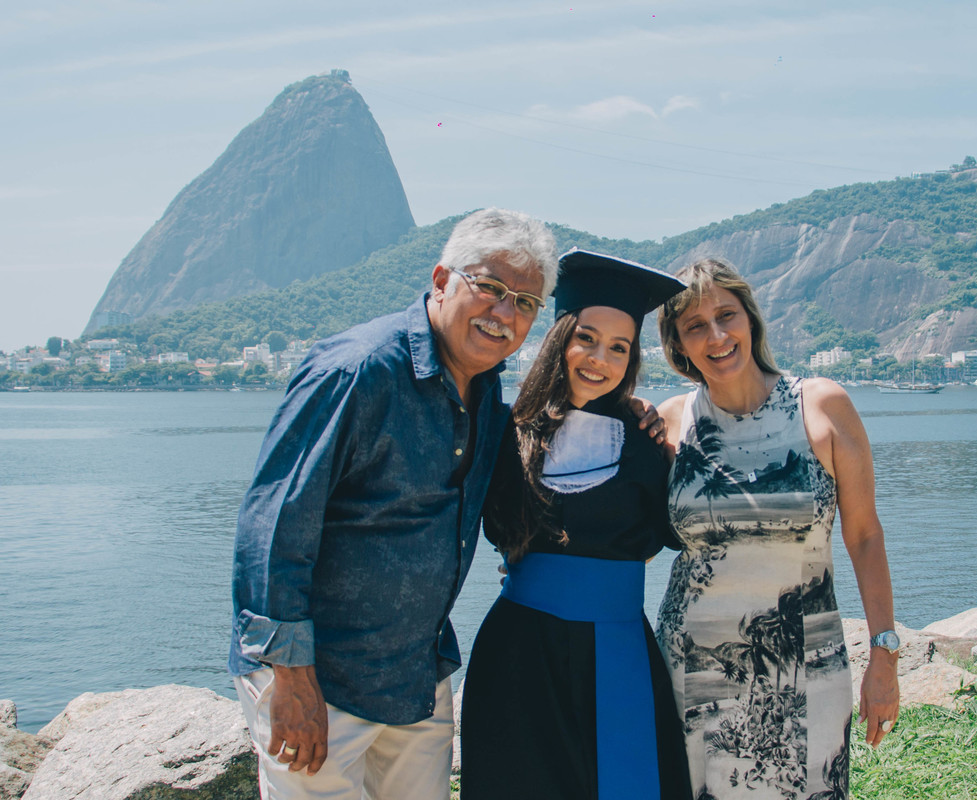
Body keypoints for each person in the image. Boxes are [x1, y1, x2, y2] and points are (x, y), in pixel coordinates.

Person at [227, 208, 561, 800]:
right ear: (440, 280)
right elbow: (274, 527)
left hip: (415, 677)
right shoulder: (357, 370)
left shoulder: (486, 388)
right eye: (489, 288)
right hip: (322, 683)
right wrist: (291, 677)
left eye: (525, 303)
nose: (505, 313)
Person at [653, 257, 899, 800]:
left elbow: (864, 536)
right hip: (692, 672)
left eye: (726, 315)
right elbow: (618, 528)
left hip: (807, 667)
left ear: (750, 319)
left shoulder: (822, 405)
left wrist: (884, 655)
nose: (716, 335)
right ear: (678, 344)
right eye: (695, 325)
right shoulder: (668, 422)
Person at [460, 249, 693, 800]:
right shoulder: (505, 432)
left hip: (619, 650)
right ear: (559, 337)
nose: (599, 358)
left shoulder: (644, 441)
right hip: (519, 655)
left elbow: (668, 534)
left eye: (619, 347)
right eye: (586, 337)